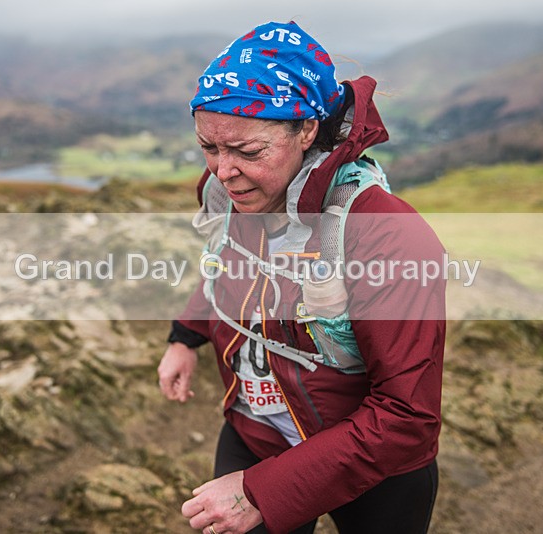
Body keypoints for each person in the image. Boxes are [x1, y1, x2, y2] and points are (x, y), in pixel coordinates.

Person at [158, 20, 445, 534]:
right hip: (255, 434)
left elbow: (407, 416)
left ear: (307, 130)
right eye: (209, 147)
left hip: (373, 468)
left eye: (248, 151)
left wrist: (261, 492)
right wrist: (185, 336)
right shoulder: (238, 193)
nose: (223, 171)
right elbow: (224, 266)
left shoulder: (387, 233)